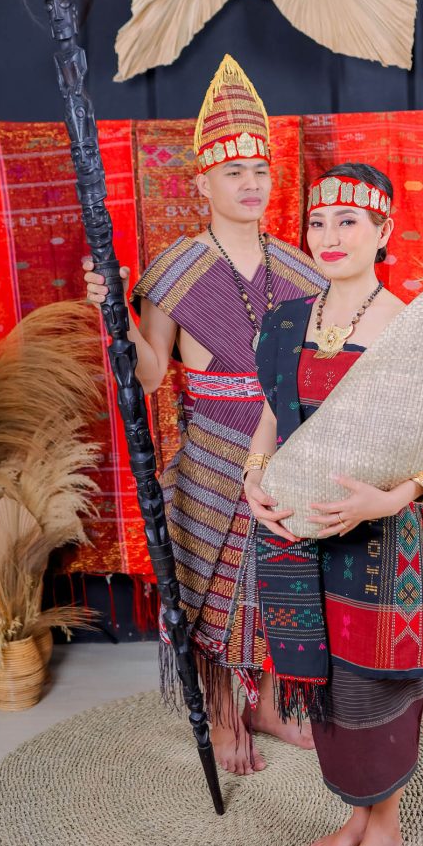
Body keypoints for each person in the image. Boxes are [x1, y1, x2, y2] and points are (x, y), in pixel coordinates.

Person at [84, 55, 325, 774]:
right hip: (214, 452)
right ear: (202, 184)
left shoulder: (302, 269)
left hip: (285, 449)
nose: (252, 183)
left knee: (280, 581)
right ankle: (224, 716)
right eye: (234, 171)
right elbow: (152, 373)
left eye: (261, 170)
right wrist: (113, 311)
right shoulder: (175, 270)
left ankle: (270, 705)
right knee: (215, 595)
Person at [244, 163, 423, 846]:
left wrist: (391, 499)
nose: (329, 236)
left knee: (374, 688)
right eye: (317, 221)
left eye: (348, 221)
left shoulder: (408, 327)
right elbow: (273, 412)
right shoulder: (286, 321)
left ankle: (384, 827)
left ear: (383, 230)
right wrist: (253, 477)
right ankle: (356, 816)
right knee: (327, 685)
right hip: (300, 538)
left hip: (382, 543)